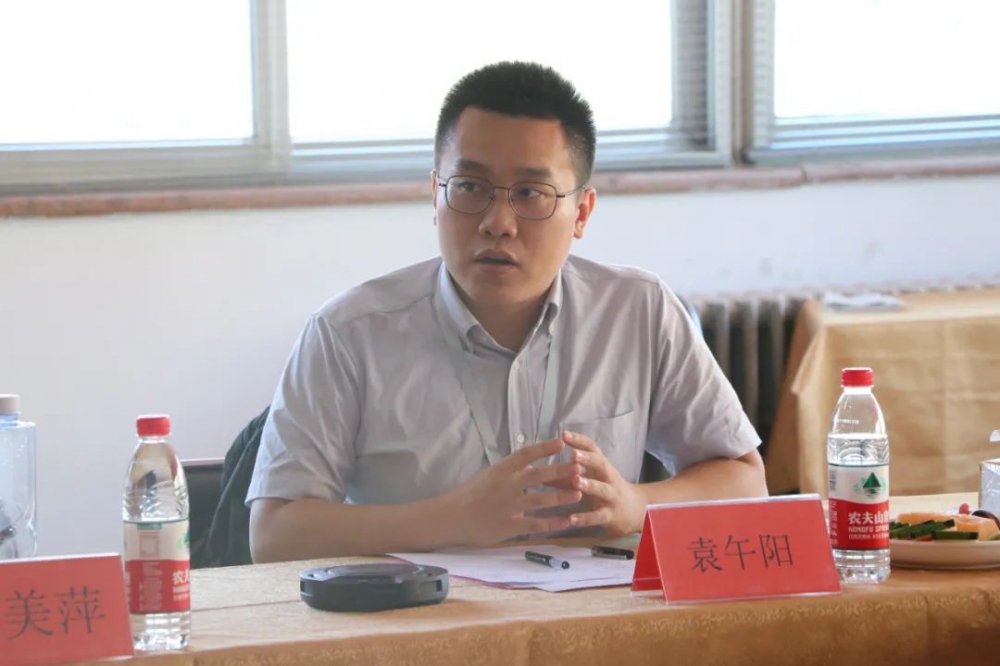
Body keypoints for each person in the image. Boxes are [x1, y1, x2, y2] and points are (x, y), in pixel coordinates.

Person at [247, 61, 767, 563]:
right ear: (435, 197)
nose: (498, 222)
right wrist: (455, 519)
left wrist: (637, 504)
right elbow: (274, 534)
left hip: (593, 616)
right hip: (422, 617)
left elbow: (746, 481)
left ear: (581, 213)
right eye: (471, 188)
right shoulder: (347, 334)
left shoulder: (639, 311)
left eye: (530, 193)